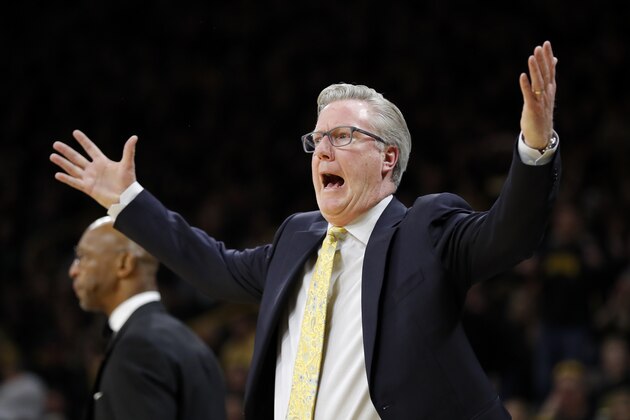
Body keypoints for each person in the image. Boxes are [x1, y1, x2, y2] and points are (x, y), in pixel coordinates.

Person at [51, 41, 561, 419]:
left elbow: (508, 234)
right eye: (316, 140)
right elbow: (212, 266)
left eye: (342, 136)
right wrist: (126, 200)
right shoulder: (297, 237)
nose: (321, 150)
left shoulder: (424, 230)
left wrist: (534, 147)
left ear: (389, 158)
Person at [69, 216, 227, 420]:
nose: (73, 271)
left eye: (84, 257)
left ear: (124, 264)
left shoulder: (138, 348)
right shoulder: (189, 340)